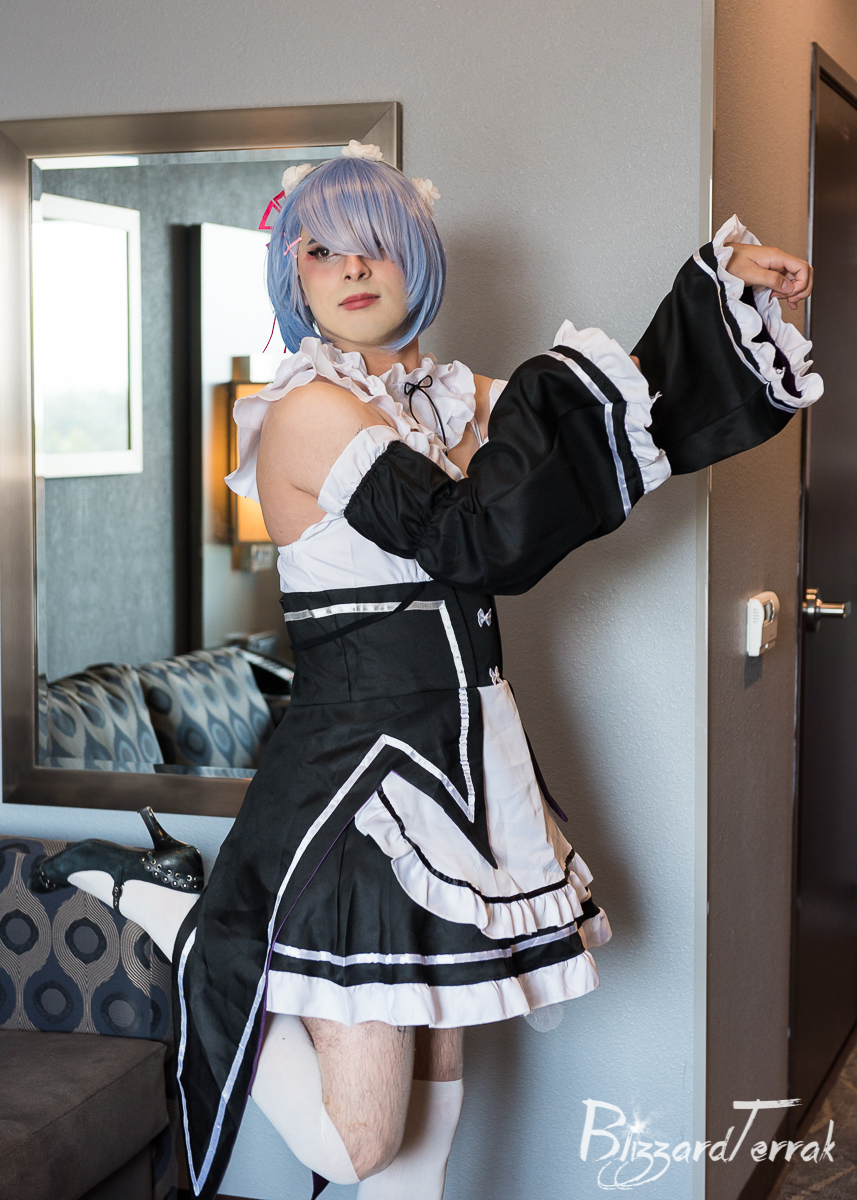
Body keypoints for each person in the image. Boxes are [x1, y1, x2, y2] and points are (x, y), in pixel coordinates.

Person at [30, 142, 820, 1200]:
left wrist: (720, 294)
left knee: (430, 1118)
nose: (352, 267)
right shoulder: (309, 412)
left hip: (462, 763)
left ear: (416, 254)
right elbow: (469, 537)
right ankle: (177, 915)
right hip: (357, 787)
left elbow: (608, 417)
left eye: (377, 244)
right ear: (294, 272)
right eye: (322, 250)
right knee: (356, 1144)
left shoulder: (437, 398)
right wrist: (541, 406)